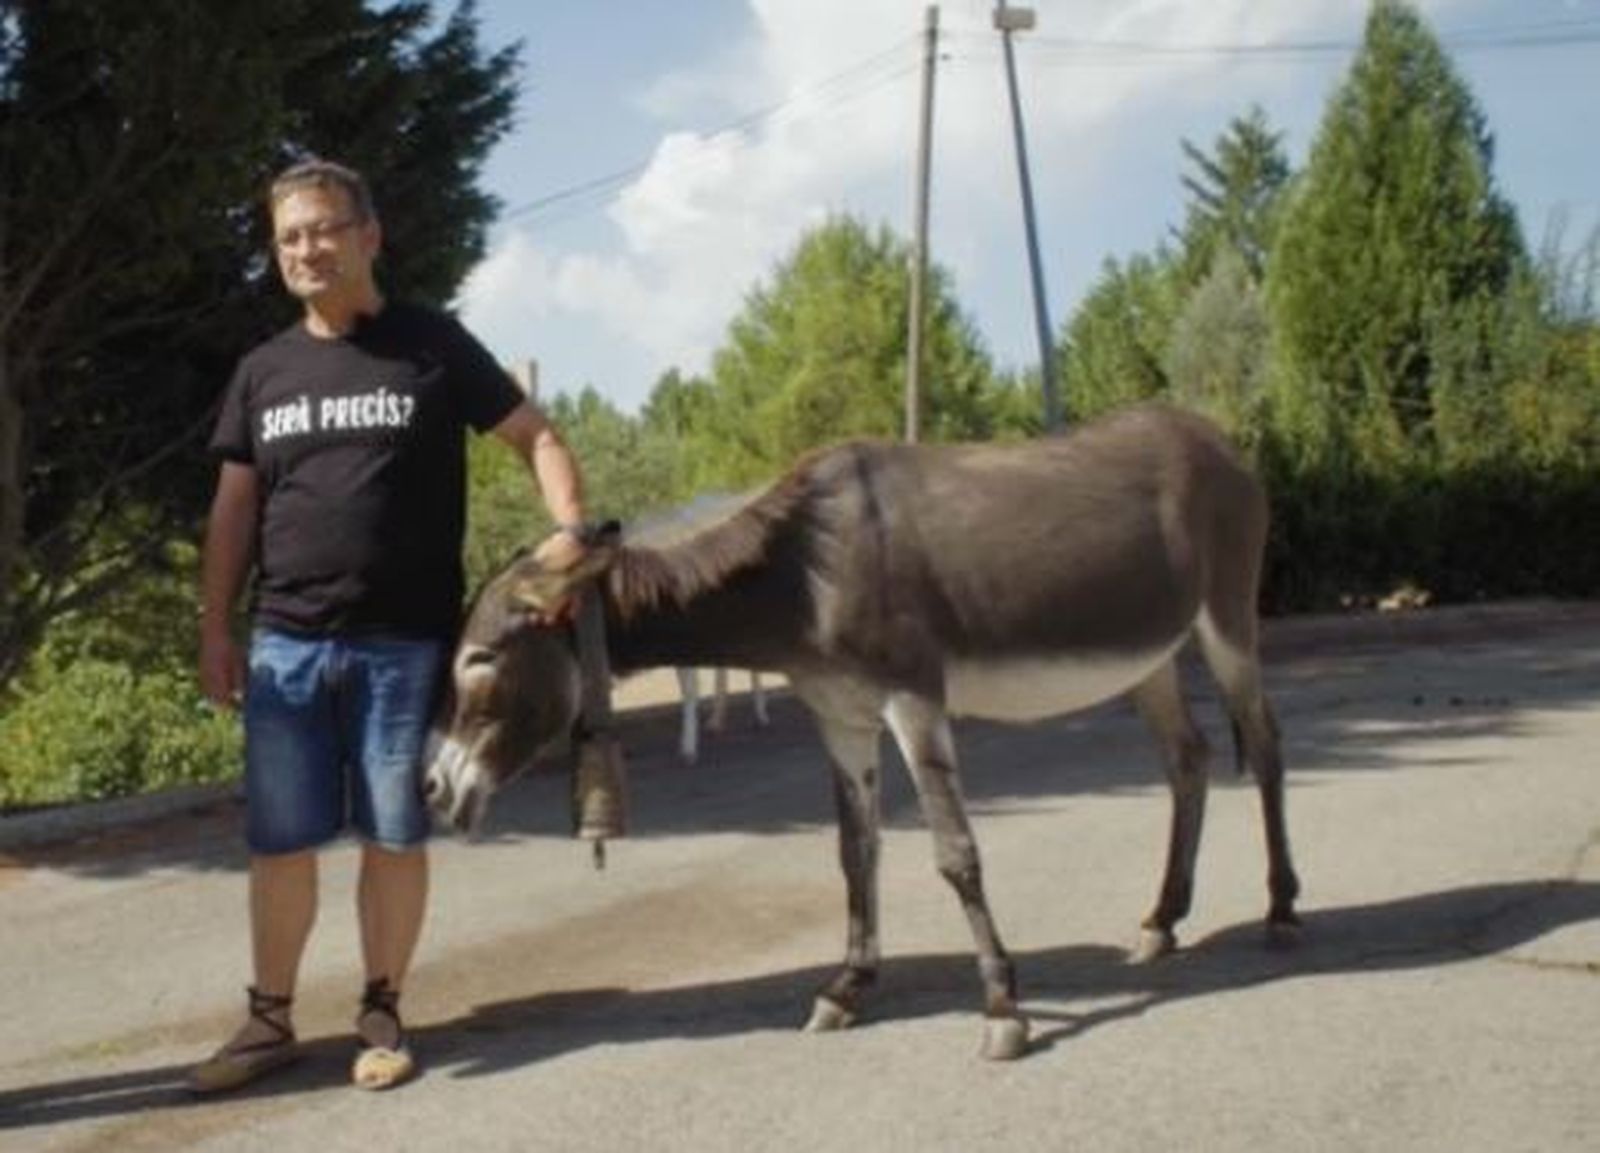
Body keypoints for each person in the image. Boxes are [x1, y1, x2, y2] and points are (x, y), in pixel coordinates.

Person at [190, 158, 591, 1093]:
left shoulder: (432, 345)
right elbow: (233, 512)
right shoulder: (265, 370)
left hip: (406, 646)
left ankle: (382, 1010)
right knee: (280, 842)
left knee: (394, 835)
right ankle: (268, 1022)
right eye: (289, 236)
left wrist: (569, 536)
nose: (305, 249)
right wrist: (216, 626)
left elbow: (537, 435)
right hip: (287, 644)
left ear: (369, 236)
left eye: (323, 228)